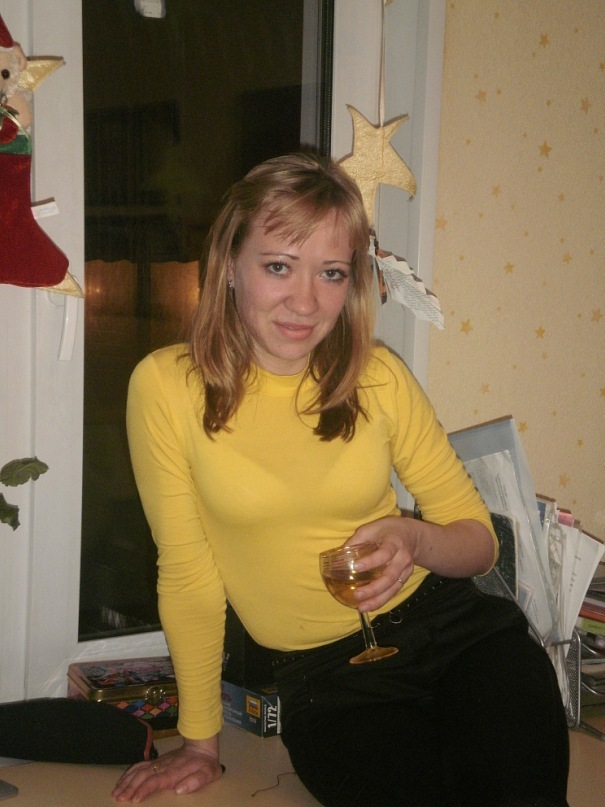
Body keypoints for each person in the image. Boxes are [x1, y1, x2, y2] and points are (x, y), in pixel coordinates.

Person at [112, 151, 569, 806]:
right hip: (328, 683)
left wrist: (414, 540)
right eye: (278, 266)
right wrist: (200, 744)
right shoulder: (166, 388)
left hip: (458, 637)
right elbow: (189, 575)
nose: (306, 301)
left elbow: (479, 543)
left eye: (331, 272)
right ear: (229, 265)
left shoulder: (378, 378)